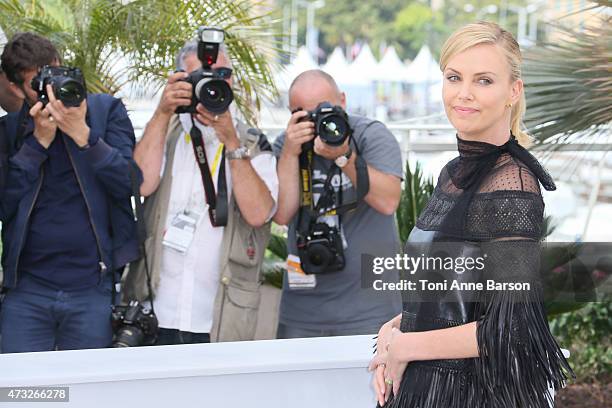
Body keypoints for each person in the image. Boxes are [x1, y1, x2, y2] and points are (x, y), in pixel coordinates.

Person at [368, 22, 573, 407]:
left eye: (483, 80)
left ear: (514, 91)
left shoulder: (513, 183)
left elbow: (512, 328)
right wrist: (395, 332)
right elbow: (450, 296)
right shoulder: (452, 174)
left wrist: (407, 345)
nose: (463, 94)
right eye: (454, 77)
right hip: (427, 387)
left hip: (473, 394)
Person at [121, 40, 278, 344]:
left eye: (223, 73)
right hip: (155, 309)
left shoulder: (252, 142)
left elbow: (259, 213)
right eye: (201, 75)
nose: (213, 82)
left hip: (220, 318)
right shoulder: (164, 131)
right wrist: (163, 110)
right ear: (180, 79)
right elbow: (139, 184)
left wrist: (232, 143)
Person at [0, 32, 140, 353]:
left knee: (89, 395)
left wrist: (84, 135)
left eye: (55, 75)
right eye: (38, 85)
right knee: (20, 395)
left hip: (92, 287)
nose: (52, 91)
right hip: (27, 291)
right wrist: (36, 144)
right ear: (17, 88)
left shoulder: (105, 112)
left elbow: (128, 184)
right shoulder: (9, 132)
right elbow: (4, 205)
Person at [272, 69, 403, 338]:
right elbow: (282, 214)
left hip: (370, 310)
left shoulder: (369, 136)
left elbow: (388, 201)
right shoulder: (287, 146)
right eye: (303, 114)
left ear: (342, 101)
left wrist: (344, 156)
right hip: (303, 311)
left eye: (323, 109)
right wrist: (289, 153)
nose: (317, 122)